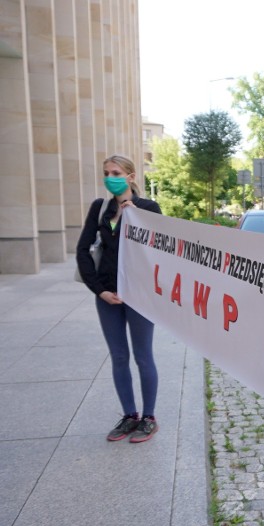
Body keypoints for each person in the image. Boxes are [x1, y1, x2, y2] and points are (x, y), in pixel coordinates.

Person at [76, 154, 162, 443]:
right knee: (119, 356)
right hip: (107, 294)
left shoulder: (148, 208)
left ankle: (148, 417)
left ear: (131, 176)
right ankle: (129, 415)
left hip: (139, 295)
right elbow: (83, 251)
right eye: (106, 172)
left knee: (142, 356)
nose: (110, 177)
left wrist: (132, 217)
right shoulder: (100, 209)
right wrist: (99, 290)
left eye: (116, 172)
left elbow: (157, 252)